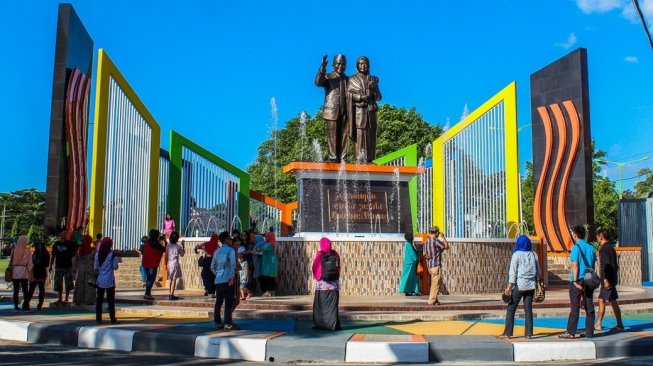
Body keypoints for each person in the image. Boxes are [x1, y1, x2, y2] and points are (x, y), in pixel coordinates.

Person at [559, 225, 597, 339]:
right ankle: (589, 332)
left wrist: (575, 280)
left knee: (575, 306)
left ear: (575, 235)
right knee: (589, 306)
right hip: (588, 279)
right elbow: (593, 265)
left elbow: (575, 264)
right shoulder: (591, 248)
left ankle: (571, 332)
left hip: (577, 281)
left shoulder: (576, 248)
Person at [499, 235, 541, 339]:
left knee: (511, 308)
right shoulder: (534, 254)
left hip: (520, 285)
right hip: (531, 286)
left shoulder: (516, 255)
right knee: (528, 309)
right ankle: (529, 333)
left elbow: (513, 273)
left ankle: (508, 333)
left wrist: (509, 288)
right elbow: (538, 272)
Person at [346, 56, 382, 162]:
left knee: (371, 135)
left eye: (365, 63)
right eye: (361, 63)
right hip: (359, 112)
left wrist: (372, 93)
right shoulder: (352, 79)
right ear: (357, 65)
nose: (363, 65)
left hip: (371, 112)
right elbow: (348, 94)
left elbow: (379, 97)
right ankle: (360, 159)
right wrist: (360, 97)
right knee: (360, 135)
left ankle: (370, 159)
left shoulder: (372, 79)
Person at [315, 54, 349, 162]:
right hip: (332, 110)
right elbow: (318, 82)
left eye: (343, 64)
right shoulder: (328, 76)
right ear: (333, 64)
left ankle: (343, 158)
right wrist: (322, 68)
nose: (340, 66)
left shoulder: (349, 80)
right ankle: (333, 158)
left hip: (346, 111)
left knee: (345, 135)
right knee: (332, 135)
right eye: (338, 63)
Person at [595, 229, 625, 331]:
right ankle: (619, 324)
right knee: (611, 301)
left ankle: (599, 323)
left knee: (602, 300)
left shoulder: (604, 249)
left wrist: (605, 280)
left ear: (601, 237)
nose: (597, 238)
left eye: (598, 236)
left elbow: (606, 265)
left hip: (607, 280)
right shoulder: (611, 248)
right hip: (611, 279)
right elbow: (614, 265)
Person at [312, 237, 341, 330]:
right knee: (332, 306)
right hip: (333, 286)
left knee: (320, 306)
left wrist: (318, 277)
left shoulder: (320, 254)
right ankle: (333, 325)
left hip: (322, 286)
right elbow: (338, 267)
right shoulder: (335, 254)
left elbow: (315, 267)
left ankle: (320, 324)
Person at [210, 231, 237, 330]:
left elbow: (212, 266)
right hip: (227, 279)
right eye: (229, 238)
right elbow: (233, 264)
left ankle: (217, 322)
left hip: (218, 280)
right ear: (226, 240)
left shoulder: (217, 251)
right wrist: (231, 277)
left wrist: (217, 274)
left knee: (218, 302)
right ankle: (227, 323)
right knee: (228, 303)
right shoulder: (230, 250)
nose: (231, 240)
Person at [94, 237, 120, 324]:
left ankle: (98, 318)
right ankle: (112, 318)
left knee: (99, 300)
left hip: (100, 280)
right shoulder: (113, 255)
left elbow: (95, 268)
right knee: (111, 301)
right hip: (109, 280)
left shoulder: (97, 254)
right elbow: (115, 267)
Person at [423, 226, 449, 305]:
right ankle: (431, 301)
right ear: (437, 233)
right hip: (436, 265)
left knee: (434, 283)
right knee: (436, 283)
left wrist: (430, 258)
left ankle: (435, 300)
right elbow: (447, 247)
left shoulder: (426, 241)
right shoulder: (436, 240)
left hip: (430, 266)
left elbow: (424, 254)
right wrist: (443, 237)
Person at [49, 230, 77, 304]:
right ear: (59, 234)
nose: (65, 234)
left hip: (67, 266)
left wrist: (73, 264)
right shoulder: (56, 244)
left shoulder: (69, 243)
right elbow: (53, 256)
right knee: (59, 283)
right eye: (63, 233)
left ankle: (67, 298)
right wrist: (51, 265)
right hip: (58, 266)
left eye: (65, 233)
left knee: (68, 283)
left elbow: (74, 253)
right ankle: (60, 298)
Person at [10, 235, 33, 312]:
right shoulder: (27, 251)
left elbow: (11, 261)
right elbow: (30, 264)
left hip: (15, 271)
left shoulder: (14, 250)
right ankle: (26, 306)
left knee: (16, 290)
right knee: (25, 290)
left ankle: (16, 307)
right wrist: (31, 274)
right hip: (24, 271)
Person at [27, 237, 50, 311]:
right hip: (42, 273)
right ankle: (40, 304)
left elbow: (32, 263)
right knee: (41, 289)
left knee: (31, 289)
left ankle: (27, 303)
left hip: (35, 273)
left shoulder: (34, 254)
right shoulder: (46, 254)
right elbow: (47, 264)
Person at [142, 229, 166, 300]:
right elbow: (164, 249)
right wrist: (165, 241)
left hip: (145, 263)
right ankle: (147, 293)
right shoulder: (157, 245)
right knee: (151, 279)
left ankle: (148, 293)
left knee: (149, 278)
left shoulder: (147, 242)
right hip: (153, 264)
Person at [73, 234, 96, 306]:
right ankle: (88, 300)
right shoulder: (93, 251)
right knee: (89, 286)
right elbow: (96, 261)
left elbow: (75, 260)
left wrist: (74, 269)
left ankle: (79, 300)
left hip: (81, 270)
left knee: (80, 284)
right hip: (90, 270)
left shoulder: (79, 250)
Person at [195, 233, 219, 297]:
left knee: (205, 275)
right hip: (214, 262)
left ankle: (207, 290)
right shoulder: (217, 246)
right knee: (213, 276)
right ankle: (213, 292)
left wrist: (196, 250)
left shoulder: (206, 244)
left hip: (206, 261)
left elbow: (197, 246)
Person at [166, 231, 185, 300]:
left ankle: (170, 293)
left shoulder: (168, 246)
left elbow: (166, 256)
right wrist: (183, 246)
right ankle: (171, 294)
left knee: (171, 279)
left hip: (169, 263)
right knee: (174, 279)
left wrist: (166, 264)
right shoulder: (178, 247)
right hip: (175, 263)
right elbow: (182, 254)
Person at [259, 232, 278, 297]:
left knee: (268, 277)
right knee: (270, 277)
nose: (265, 238)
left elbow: (263, 248)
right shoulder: (271, 243)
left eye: (266, 236)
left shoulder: (270, 244)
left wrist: (259, 245)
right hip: (269, 262)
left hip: (270, 262)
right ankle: (272, 291)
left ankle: (269, 291)